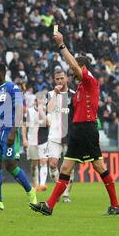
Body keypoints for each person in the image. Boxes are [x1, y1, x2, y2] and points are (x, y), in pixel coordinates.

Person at [30, 31, 119, 216]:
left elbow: (73, 65)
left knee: (99, 167)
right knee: (65, 168)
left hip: (87, 130)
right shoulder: (80, 88)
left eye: (76, 68)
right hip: (77, 132)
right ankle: (49, 206)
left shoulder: (90, 82)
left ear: (83, 68)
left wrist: (62, 45)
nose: (72, 71)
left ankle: (115, 205)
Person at [0, 63, 37, 211]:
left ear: (2, 73)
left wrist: (13, 132)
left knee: (10, 164)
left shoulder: (13, 88)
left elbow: (19, 111)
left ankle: (30, 191)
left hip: (9, 130)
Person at [46, 68, 76, 203]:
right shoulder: (50, 94)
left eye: (62, 78)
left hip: (70, 135)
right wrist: (55, 95)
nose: (59, 81)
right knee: (52, 164)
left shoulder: (74, 95)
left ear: (67, 79)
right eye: (57, 79)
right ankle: (60, 189)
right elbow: (49, 109)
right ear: (54, 80)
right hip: (54, 135)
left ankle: (66, 195)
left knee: (69, 167)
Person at [21, 94, 49, 189]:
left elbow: (49, 123)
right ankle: (36, 185)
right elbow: (24, 126)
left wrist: (41, 111)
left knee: (44, 161)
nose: (41, 101)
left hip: (44, 140)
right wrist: (24, 139)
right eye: (39, 99)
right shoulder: (29, 111)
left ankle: (42, 185)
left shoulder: (47, 111)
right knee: (34, 164)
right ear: (35, 100)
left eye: (42, 99)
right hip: (32, 141)